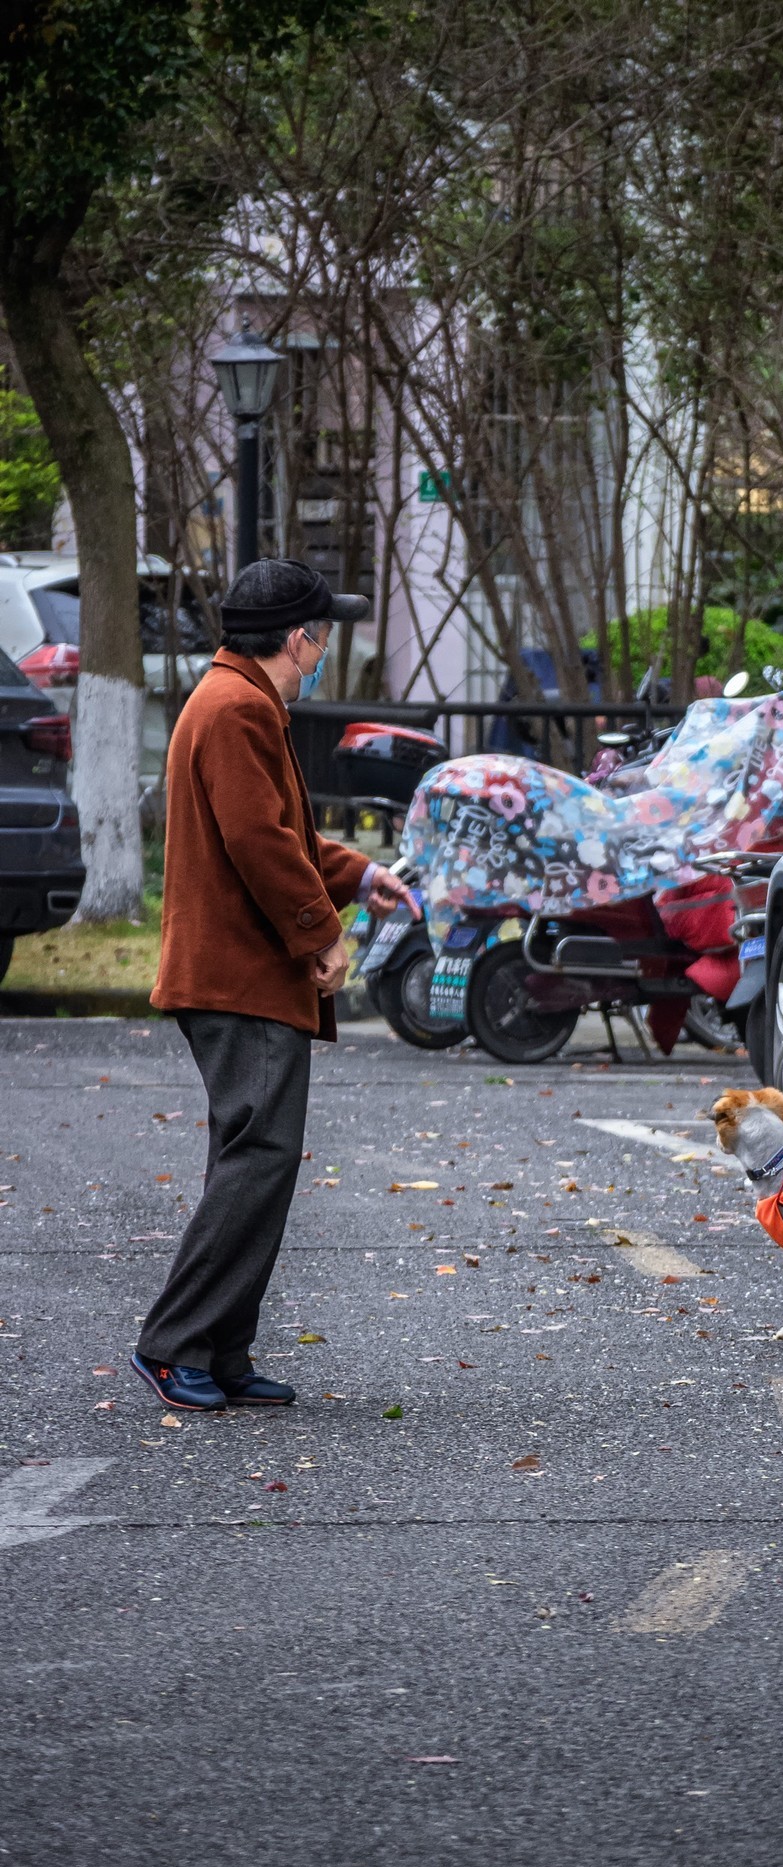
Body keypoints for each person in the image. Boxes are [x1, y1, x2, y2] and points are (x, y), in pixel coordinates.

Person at [132, 558, 418, 1412]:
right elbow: (259, 842)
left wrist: (358, 873)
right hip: (240, 975)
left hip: (234, 973)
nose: (326, 647)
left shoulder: (236, 702)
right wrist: (321, 934)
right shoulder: (237, 709)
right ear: (299, 637)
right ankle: (175, 1343)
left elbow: (279, 833)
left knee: (251, 1158)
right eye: (324, 633)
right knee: (257, 1158)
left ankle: (221, 1350)